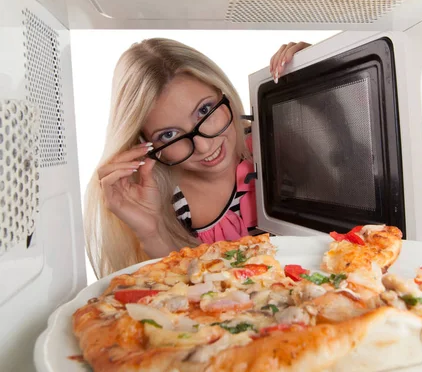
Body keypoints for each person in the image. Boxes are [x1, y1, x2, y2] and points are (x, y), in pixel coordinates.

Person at [84, 38, 311, 277]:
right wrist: (151, 233)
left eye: (204, 110)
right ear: (143, 143)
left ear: (222, 91)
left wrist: (320, 72)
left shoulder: (268, 138)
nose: (203, 146)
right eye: (169, 134)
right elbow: (185, 295)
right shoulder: (164, 200)